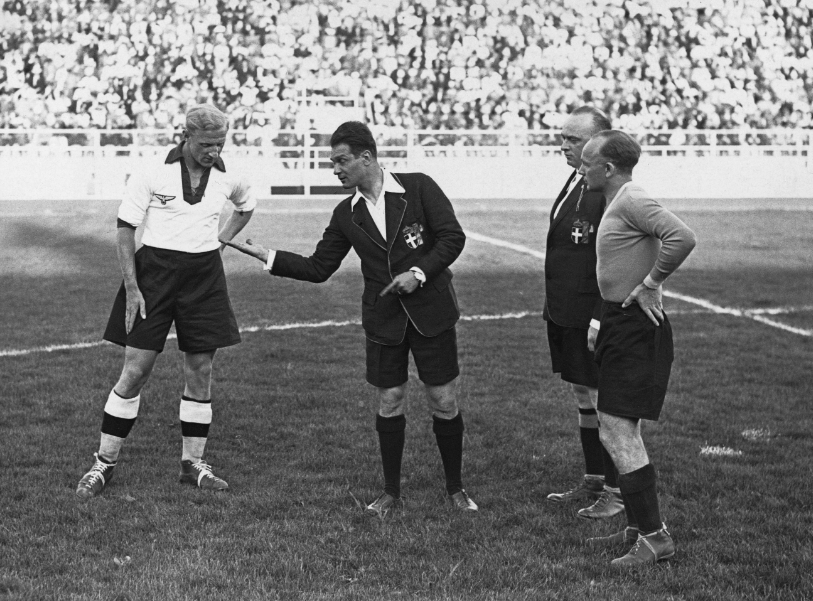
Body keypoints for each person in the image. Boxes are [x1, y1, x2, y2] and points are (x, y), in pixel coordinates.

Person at [224, 120, 477, 515]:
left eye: (341, 161)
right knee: (390, 400)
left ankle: (456, 489)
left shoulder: (419, 187)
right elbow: (319, 267)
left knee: (443, 400)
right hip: (384, 319)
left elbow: (452, 238)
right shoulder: (346, 213)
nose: (336, 170)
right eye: (333, 163)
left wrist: (418, 273)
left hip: (432, 313)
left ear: (367, 157)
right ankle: (390, 492)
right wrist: (268, 257)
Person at [75, 104, 256, 499]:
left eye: (220, 144)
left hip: (204, 278)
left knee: (201, 369)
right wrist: (132, 287)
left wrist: (221, 241)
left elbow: (246, 206)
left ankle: (193, 464)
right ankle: (103, 463)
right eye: (206, 144)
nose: (214, 151)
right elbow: (126, 228)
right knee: (136, 370)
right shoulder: (153, 171)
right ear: (186, 136)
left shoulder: (231, 174)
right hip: (154, 275)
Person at [579, 130, 696, 567]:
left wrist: (651, 283)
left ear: (608, 168)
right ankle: (637, 528)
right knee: (621, 427)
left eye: (587, 162)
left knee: (614, 429)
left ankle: (654, 537)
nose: (580, 168)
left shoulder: (631, 198)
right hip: (618, 321)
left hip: (635, 327)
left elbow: (682, 236)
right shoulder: (617, 200)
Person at [543, 106, 624, 521]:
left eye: (572, 139)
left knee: (600, 398)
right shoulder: (576, 179)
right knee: (582, 394)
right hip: (563, 310)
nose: (563, 145)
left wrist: (597, 316)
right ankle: (594, 478)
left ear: (599, 143)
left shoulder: (607, 190)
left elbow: (613, 262)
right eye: (563, 137)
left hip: (588, 312)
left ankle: (616, 490)